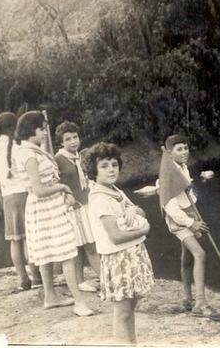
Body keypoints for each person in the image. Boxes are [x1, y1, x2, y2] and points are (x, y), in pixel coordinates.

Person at [14, 111, 93, 316]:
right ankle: (79, 302)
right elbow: (39, 189)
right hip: (45, 204)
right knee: (67, 252)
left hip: (45, 206)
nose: (44, 133)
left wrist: (59, 189)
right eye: (41, 129)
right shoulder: (29, 155)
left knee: (47, 251)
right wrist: (64, 189)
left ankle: (50, 297)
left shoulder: (30, 150)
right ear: (32, 130)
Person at [85, 142, 154, 344]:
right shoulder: (100, 198)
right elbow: (115, 236)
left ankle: (132, 343)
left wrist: (133, 210)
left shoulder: (115, 191)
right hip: (118, 258)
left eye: (114, 164)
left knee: (131, 306)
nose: (111, 169)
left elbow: (138, 211)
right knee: (122, 311)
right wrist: (144, 230)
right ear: (94, 171)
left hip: (130, 254)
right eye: (104, 166)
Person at [158, 134, 220, 321]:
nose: (184, 152)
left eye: (186, 148)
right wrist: (191, 223)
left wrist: (194, 212)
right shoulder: (168, 173)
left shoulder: (183, 168)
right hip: (178, 220)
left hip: (188, 214)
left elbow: (186, 195)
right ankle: (200, 303)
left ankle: (187, 298)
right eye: (179, 149)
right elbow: (169, 206)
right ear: (170, 153)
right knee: (200, 254)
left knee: (187, 258)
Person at [0, 112, 41, 290]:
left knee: (15, 239)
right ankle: (36, 278)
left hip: (7, 196)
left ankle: (23, 279)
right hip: (23, 193)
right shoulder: (17, 145)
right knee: (29, 237)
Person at [54, 121, 100, 293]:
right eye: (68, 139)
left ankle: (81, 281)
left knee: (85, 243)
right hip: (73, 209)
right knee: (88, 244)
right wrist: (66, 197)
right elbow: (56, 183)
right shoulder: (58, 160)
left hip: (87, 204)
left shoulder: (80, 156)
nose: (73, 141)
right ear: (61, 143)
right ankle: (105, 281)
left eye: (75, 137)